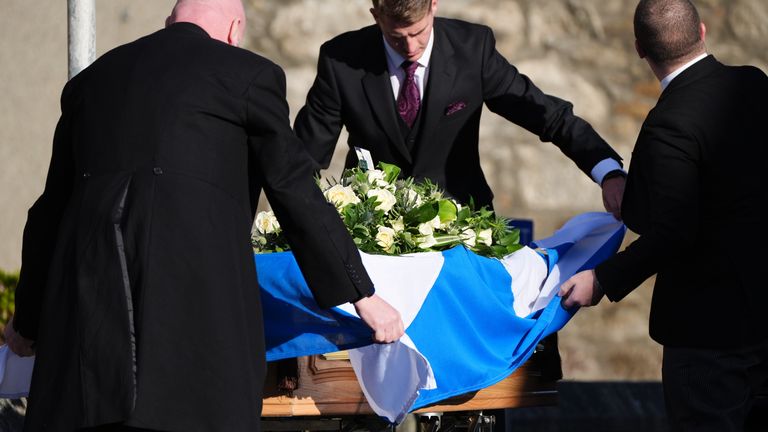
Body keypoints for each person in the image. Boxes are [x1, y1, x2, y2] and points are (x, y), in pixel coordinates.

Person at [3, 0, 404, 431]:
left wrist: (26, 321)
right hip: (192, 325)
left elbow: (49, 209)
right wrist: (362, 294)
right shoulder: (248, 75)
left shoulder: (90, 83)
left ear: (167, 24)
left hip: (86, 329)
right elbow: (293, 190)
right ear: (234, 32)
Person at [559, 1, 768, 430]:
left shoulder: (669, 124)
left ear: (639, 49)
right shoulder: (755, 84)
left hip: (708, 339)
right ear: (703, 31)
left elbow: (674, 232)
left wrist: (601, 280)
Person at [294, 0, 627, 219]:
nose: (410, 47)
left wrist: (608, 173)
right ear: (375, 16)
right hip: (371, 231)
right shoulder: (341, 60)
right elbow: (305, 156)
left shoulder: (473, 50)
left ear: (433, 6)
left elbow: (547, 115)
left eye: (418, 32)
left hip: (462, 223)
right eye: (396, 37)